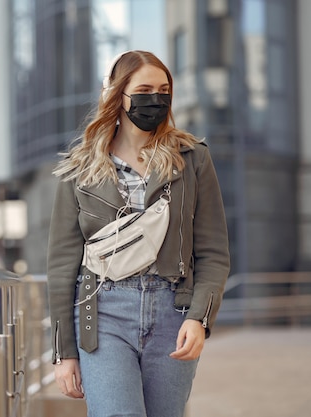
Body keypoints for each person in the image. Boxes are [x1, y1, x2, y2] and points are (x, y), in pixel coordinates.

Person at [46, 50, 230, 417]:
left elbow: (213, 252)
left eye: (164, 90)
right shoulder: (80, 168)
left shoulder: (192, 158)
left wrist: (200, 318)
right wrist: (63, 352)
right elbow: (62, 265)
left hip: (173, 311)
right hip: (102, 313)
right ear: (117, 94)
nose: (156, 99)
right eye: (145, 89)